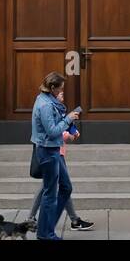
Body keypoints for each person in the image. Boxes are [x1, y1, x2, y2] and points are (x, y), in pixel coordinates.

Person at [26, 88, 94, 232]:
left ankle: (34, 219)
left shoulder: (58, 109)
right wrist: (68, 136)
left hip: (58, 152)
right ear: (53, 94)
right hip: (52, 152)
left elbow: (66, 127)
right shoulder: (48, 107)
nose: (63, 94)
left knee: (60, 186)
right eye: (60, 92)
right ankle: (71, 220)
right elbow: (52, 131)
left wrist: (73, 131)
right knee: (62, 187)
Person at [30, 71, 80, 241]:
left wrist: (66, 119)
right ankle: (45, 233)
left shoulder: (48, 100)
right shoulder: (44, 105)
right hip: (48, 152)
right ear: (52, 88)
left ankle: (47, 227)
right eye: (60, 89)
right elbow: (52, 132)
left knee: (66, 187)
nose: (61, 91)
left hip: (54, 150)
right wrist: (68, 119)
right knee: (50, 193)